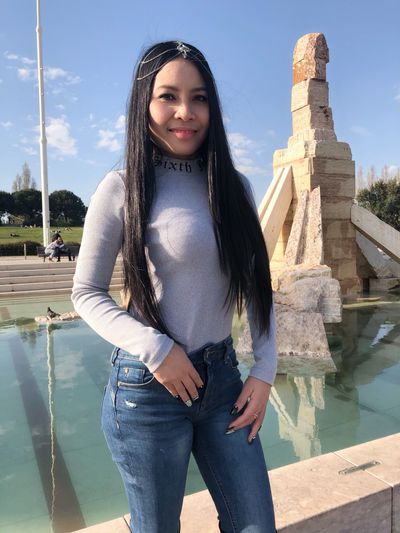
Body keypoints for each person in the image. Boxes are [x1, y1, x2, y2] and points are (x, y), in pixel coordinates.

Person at [71, 40, 277, 533]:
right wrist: (156, 349)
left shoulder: (235, 187)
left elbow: (256, 286)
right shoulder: (121, 186)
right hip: (147, 390)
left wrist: (265, 369)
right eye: (168, 96)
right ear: (144, 103)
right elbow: (86, 292)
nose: (185, 112)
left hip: (224, 384)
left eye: (199, 97)